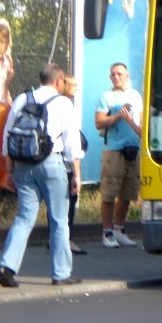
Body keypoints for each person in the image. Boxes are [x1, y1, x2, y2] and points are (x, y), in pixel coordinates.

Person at [0, 64, 82, 287]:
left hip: (23, 164)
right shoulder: (63, 103)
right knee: (59, 220)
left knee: (24, 217)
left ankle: (7, 266)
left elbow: (8, 136)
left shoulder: (23, 99)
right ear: (59, 80)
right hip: (52, 163)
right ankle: (61, 274)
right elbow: (72, 143)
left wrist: (8, 171)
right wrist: (76, 176)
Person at [94, 62, 143, 248]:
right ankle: (106, 232)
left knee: (128, 192)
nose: (116, 77)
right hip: (114, 150)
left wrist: (131, 122)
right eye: (113, 74)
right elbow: (99, 122)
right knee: (109, 193)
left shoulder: (135, 96)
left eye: (119, 74)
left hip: (133, 149)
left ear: (127, 75)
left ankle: (119, 230)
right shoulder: (106, 96)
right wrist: (116, 117)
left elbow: (141, 126)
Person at [63, 74, 87, 254]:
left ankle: (55, 238)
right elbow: (72, 144)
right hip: (65, 163)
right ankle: (67, 240)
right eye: (74, 86)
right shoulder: (66, 106)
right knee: (69, 202)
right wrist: (77, 174)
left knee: (57, 205)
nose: (77, 89)